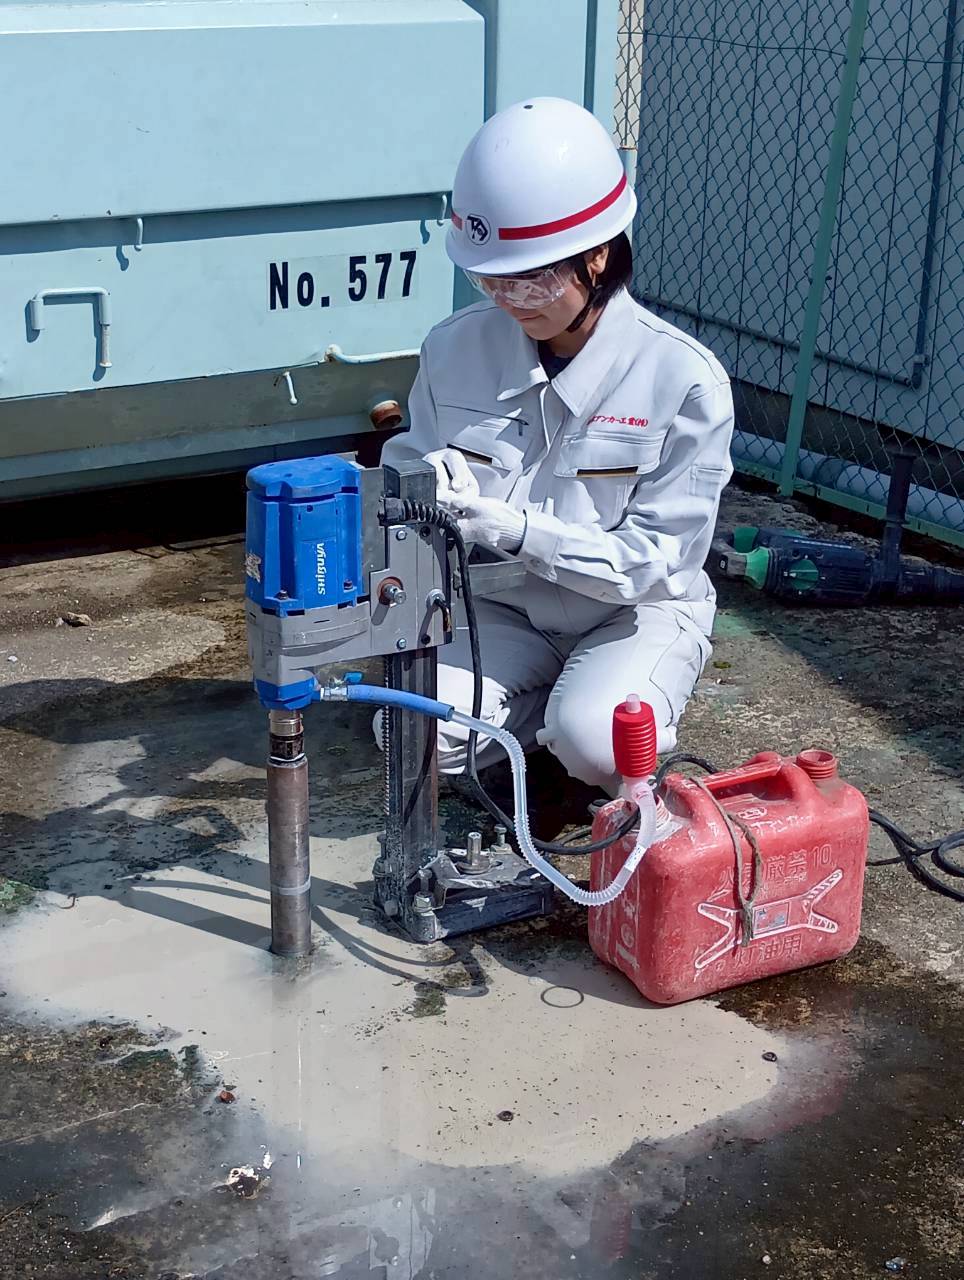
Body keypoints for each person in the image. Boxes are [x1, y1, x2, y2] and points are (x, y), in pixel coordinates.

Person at [380, 97, 734, 795]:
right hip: (503, 610)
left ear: (598, 256)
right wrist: (420, 489)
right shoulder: (453, 350)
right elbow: (401, 476)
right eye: (491, 279)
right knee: (406, 733)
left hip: (632, 614)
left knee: (600, 745)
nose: (511, 299)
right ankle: (548, 715)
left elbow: (654, 562)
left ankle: (579, 715)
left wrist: (516, 530)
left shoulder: (683, 381)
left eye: (533, 278)